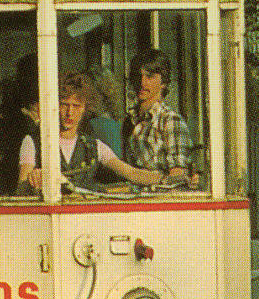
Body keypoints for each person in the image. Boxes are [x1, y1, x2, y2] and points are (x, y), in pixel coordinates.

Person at [18, 72, 162, 194]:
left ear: (85, 109)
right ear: (55, 106)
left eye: (76, 106)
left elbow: (131, 173)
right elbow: (20, 189)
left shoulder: (95, 146)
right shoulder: (32, 142)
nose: (70, 112)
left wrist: (165, 178)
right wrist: (32, 180)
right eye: (64, 105)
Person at [124, 49, 197, 186]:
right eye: (138, 76)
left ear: (163, 82)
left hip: (159, 200)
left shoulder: (170, 120)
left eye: (150, 76)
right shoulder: (130, 120)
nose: (142, 82)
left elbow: (178, 177)